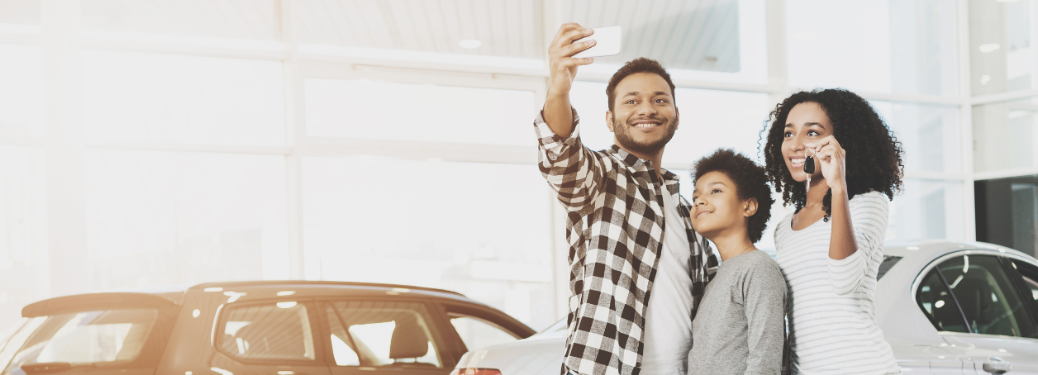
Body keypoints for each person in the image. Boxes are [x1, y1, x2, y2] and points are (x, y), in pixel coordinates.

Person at [536, 23, 714, 375]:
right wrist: (558, 89)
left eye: (659, 100)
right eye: (631, 100)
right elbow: (561, 157)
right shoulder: (599, 176)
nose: (646, 109)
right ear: (609, 118)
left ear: (676, 117)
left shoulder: (687, 209)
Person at [762, 89, 904, 374]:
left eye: (812, 133)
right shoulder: (784, 229)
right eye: (789, 134)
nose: (796, 145)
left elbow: (844, 279)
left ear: (841, 142)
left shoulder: (867, 203)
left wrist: (838, 186)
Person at [685, 149, 785, 375]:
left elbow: (765, 361)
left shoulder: (758, 268)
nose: (700, 200)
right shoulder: (715, 277)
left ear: (748, 206)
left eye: (716, 191)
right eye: (695, 197)